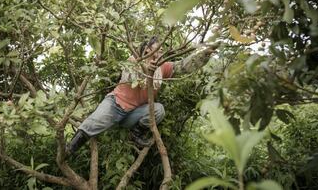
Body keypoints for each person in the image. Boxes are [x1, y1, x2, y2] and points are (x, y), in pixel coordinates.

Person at [66, 36, 219, 156]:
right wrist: (146, 70)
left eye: (162, 49)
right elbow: (131, 77)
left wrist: (204, 54)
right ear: (147, 50)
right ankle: (70, 148)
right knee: (95, 121)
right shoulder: (134, 60)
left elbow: (183, 66)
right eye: (157, 48)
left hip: (133, 114)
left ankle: (135, 133)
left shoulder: (162, 66)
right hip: (115, 104)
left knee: (159, 109)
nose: (160, 51)